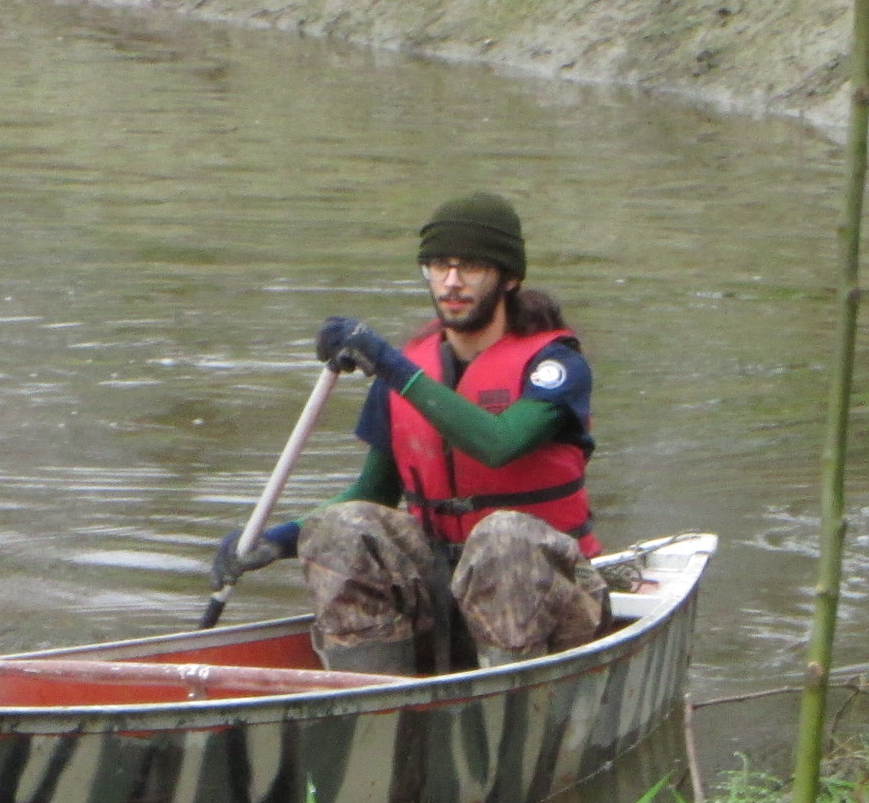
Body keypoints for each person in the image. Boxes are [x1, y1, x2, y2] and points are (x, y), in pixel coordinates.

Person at [213, 192, 611, 677]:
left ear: (509, 277)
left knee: (502, 537)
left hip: (548, 594)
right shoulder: (409, 371)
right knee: (340, 526)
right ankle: (372, 703)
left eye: (472, 268)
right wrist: (273, 542)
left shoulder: (555, 366)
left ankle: (509, 707)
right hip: (441, 589)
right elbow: (372, 494)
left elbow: (498, 444)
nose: (452, 282)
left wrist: (389, 366)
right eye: (438, 266)